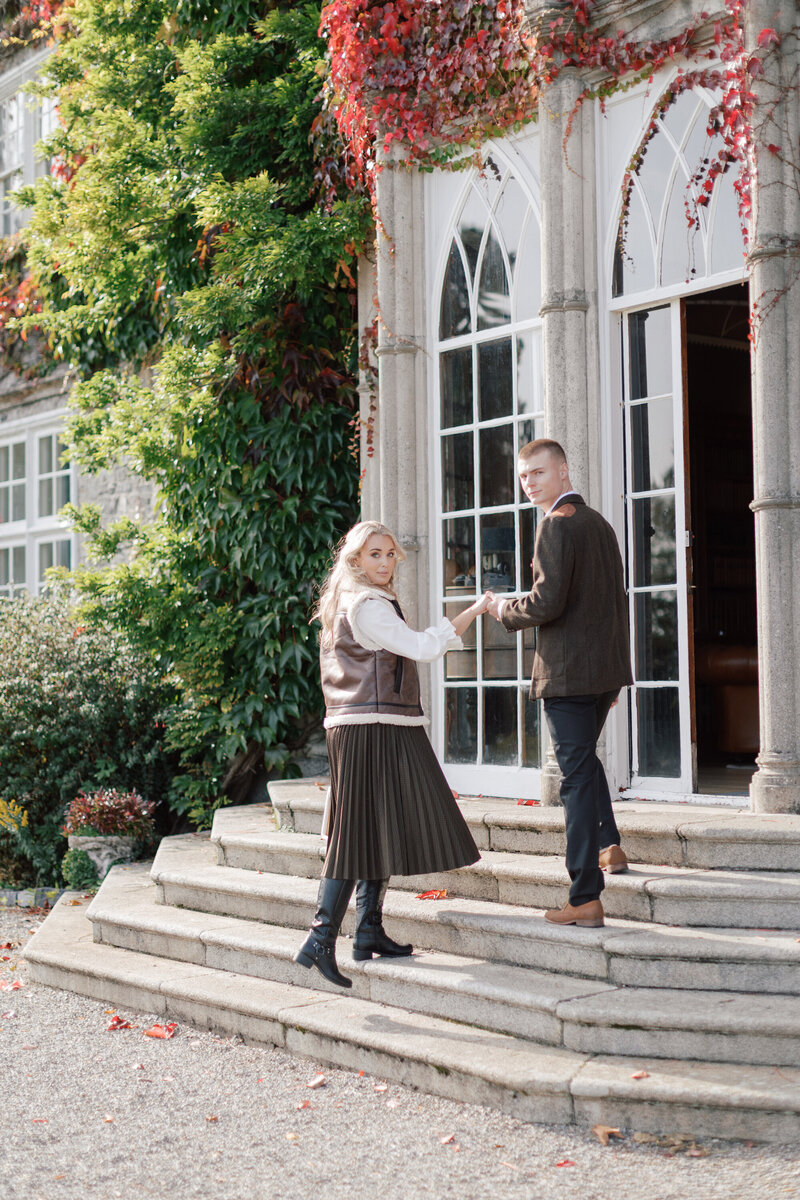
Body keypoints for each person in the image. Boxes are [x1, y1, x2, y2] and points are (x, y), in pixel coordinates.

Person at [295, 520, 488, 988]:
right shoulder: (366, 605)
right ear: (355, 560)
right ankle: (319, 940)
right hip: (369, 728)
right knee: (354, 834)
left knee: (378, 826)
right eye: (373, 555)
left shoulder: (354, 601)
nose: (383, 563)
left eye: (388, 554)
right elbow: (422, 648)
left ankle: (369, 930)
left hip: (378, 724)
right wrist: (474, 609)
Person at [486, 439, 633, 928]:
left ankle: (584, 895)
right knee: (585, 764)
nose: (529, 482)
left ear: (564, 471)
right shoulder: (601, 525)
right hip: (601, 673)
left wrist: (503, 610)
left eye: (538, 473)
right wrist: (615, 676)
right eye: (524, 475)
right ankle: (609, 846)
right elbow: (613, 601)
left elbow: (546, 603)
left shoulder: (555, 524)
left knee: (573, 779)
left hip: (569, 678)